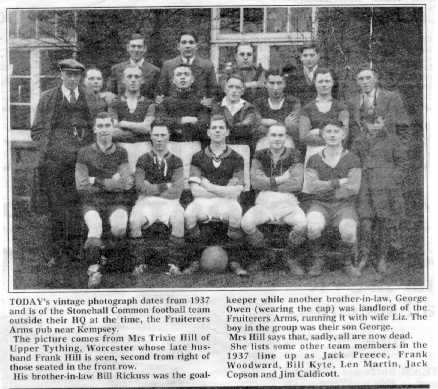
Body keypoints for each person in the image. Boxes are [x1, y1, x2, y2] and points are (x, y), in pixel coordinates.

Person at [31, 58, 93, 264]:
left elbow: (95, 128)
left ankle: (76, 250)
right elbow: (37, 130)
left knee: (77, 204)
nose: (73, 78)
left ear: (80, 77)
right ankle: (57, 252)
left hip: (80, 162)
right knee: (57, 207)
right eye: (69, 74)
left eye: (76, 75)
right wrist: (47, 149)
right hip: (55, 162)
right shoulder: (48, 98)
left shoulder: (88, 98)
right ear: (61, 75)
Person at [75, 112, 133, 288]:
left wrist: (96, 180)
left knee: (120, 225)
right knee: (95, 226)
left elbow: (125, 184)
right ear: (94, 129)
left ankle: (105, 257)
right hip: (92, 201)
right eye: (100, 126)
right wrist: (111, 181)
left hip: (116, 200)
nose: (104, 130)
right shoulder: (84, 153)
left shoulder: (121, 152)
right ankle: (94, 271)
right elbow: (82, 186)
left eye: (107, 126)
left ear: (113, 128)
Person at [184, 115, 247, 276]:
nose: (217, 130)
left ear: (227, 132)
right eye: (214, 128)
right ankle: (195, 259)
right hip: (202, 200)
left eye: (221, 128)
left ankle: (235, 260)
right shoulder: (198, 157)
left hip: (227, 202)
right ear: (208, 132)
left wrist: (209, 186)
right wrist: (222, 190)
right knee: (189, 213)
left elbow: (236, 191)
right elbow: (195, 191)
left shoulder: (237, 157)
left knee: (236, 212)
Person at [241, 123, 306, 274]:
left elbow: (296, 183)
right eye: (274, 135)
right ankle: (265, 254)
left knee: (302, 224)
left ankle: (288, 256)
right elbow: (255, 182)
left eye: (281, 135)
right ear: (268, 137)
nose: (277, 139)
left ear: (286, 137)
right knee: (246, 223)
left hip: (288, 203)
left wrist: (268, 182)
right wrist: (281, 179)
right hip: (264, 203)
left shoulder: (295, 154)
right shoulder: (259, 155)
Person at [351, 116, 408, 275]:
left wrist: (393, 179)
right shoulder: (358, 141)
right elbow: (353, 163)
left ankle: (381, 258)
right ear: (364, 123)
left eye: (378, 122)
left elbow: (402, 163)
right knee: (365, 223)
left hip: (386, 188)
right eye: (370, 123)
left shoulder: (392, 140)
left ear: (384, 122)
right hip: (365, 188)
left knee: (384, 221)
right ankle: (363, 257)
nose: (374, 126)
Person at [305, 121, 361, 277]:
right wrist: (337, 183)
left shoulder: (352, 158)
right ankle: (318, 260)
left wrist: (325, 188)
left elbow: (353, 187)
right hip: (320, 204)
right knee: (313, 226)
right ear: (322, 135)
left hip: (344, 205)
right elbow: (311, 186)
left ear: (343, 134)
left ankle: (347, 263)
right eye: (328, 131)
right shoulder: (314, 159)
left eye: (336, 131)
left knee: (348, 230)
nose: (332, 135)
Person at [129, 123, 186, 276]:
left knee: (179, 219)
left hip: (170, 203)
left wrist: (152, 188)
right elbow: (140, 187)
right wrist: (164, 186)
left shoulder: (176, 161)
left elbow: (176, 191)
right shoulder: (143, 159)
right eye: (156, 135)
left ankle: (174, 264)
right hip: (145, 202)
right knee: (135, 220)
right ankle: (139, 264)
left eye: (163, 135)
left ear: (168, 137)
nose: (159, 139)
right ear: (150, 136)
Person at [299, 67, 349, 188]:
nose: (324, 84)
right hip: (313, 154)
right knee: (314, 188)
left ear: (332, 83)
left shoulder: (341, 107)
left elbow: (344, 135)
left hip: (336, 154)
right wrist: (332, 137)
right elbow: (304, 137)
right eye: (320, 81)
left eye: (327, 81)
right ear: (315, 83)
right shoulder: (307, 108)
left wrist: (318, 132)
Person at [348, 65, 410, 146]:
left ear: (375, 79)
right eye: (361, 79)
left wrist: (400, 151)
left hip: (386, 151)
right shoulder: (353, 102)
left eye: (368, 78)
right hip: (362, 151)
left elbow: (403, 128)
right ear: (357, 82)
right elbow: (351, 133)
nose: (365, 82)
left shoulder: (392, 98)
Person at [157, 31, 218, 106]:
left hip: (199, 109)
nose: (187, 46)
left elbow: (214, 91)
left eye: (191, 42)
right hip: (174, 108)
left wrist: (210, 100)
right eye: (184, 42)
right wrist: (160, 99)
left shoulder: (207, 65)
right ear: (178, 46)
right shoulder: (168, 65)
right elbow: (161, 91)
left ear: (196, 46)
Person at [156, 64, 209, 142]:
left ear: (192, 79)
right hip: (171, 143)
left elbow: (204, 123)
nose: (182, 77)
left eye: (186, 74)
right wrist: (181, 120)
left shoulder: (200, 102)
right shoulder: (165, 102)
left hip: (194, 143)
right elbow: (160, 121)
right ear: (173, 80)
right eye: (178, 75)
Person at [253, 68, 301, 149]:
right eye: (271, 83)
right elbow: (256, 128)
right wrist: (284, 124)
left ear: (284, 84)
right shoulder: (258, 103)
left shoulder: (293, 102)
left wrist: (265, 122)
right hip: (264, 141)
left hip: (286, 140)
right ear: (265, 84)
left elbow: (293, 128)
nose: (275, 87)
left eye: (279, 83)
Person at [211, 74, 261, 152]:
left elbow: (244, 129)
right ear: (225, 89)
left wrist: (223, 128)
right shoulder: (216, 107)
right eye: (230, 87)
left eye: (238, 87)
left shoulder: (249, 108)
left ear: (243, 91)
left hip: (242, 149)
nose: (234, 90)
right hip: (219, 150)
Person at [109, 65, 155, 144]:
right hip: (121, 147)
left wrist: (123, 124)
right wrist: (139, 130)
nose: (133, 80)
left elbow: (147, 128)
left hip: (144, 147)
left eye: (137, 77)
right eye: (129, 77)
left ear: (142, 80)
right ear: (123, 80)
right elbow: (113, 132)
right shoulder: (114, 103)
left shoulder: (149, 104)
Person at [107, 33, 159, 99]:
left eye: (139, 47)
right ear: (128, 48)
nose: (136, 50)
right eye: (133, 46)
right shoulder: (116, 69)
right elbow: (111, 93)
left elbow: (156, 96)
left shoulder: (154, 71)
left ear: (145, 49)